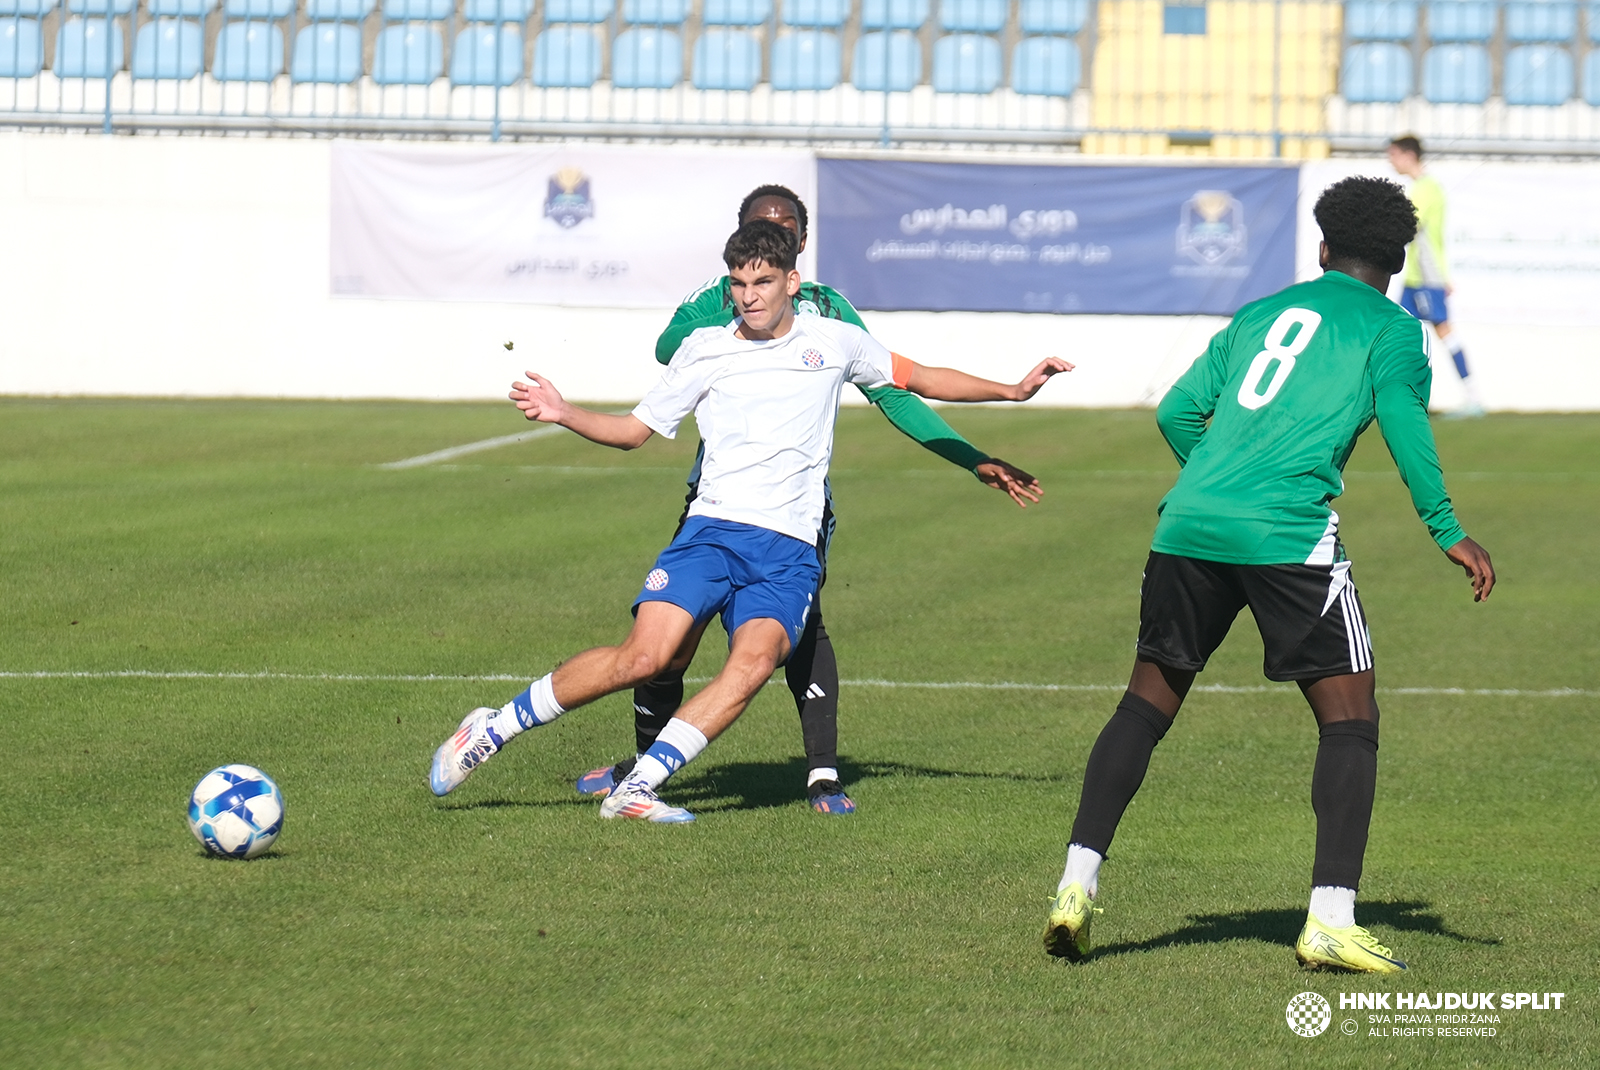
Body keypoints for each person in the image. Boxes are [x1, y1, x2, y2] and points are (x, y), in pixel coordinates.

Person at [430, 220, 1071, 822]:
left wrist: (1013, 391)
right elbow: (632, 432)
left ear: (793, 282)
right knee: (645, 657)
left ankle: (638, 788)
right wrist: (565, 411)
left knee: (754, 662)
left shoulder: (836, 340)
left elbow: (919, 377)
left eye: (762, 283)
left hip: (790, 550)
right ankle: (493, 727)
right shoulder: (704, 350)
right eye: (738, 284)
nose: (748, 296)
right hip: (710, 533)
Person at [1042, 176, 1494, 972]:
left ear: (1322, 250)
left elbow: (1174, 412)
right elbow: (1404, 424)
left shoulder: (1259, 314)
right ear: (1395, 262)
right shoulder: (1394, 331)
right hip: (1286, 535)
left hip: (1189, 523)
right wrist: (1448, 531)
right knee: (1351, 716)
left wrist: (1220, 479)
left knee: (1147, 702)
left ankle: (1074, 888)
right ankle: (1330, 919)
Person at [575, 184, 1044, 816]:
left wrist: (972, 455)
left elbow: (897, 388)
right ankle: (646, 769)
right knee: (668, 645)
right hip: (714, 498)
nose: (774, 237)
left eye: (787, 227)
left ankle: (821, 772)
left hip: (792, 510)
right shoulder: (718, 302)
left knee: (797, 630)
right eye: (759, 227)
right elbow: (669, 353)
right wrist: (742, 317)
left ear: (801, 243)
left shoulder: (828, 313)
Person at [1387, 135, 1484, 417]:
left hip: (1427, 278)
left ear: (1408, 155)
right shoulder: (1422, 187)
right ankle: (1397, 394)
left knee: (1443, 332)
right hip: (1416, 277)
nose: (1391, 161)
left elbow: (1411, 227)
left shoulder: (1426, 188)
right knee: (1396, 332)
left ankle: (1473, 397)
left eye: (1393, 155)